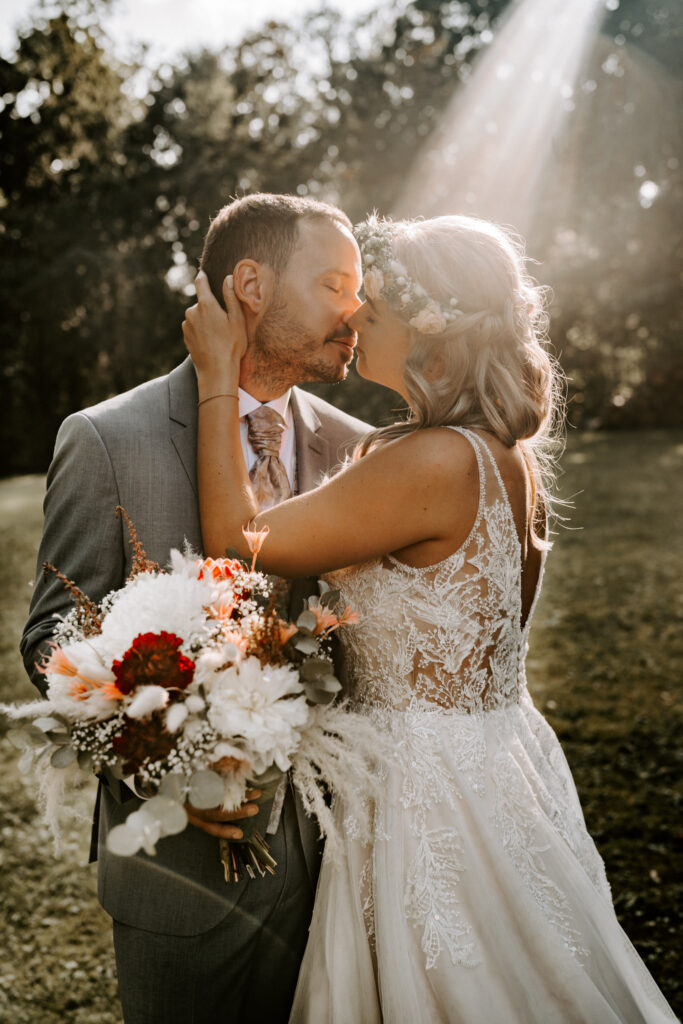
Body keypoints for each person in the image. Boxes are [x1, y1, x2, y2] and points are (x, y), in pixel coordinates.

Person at [182, 212, 678, 1023]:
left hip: (426, 798)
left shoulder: (437, 460)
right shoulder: (493, 454)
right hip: (489, 762)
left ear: (431, 338)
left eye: (368, 308)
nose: (349, 318)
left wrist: (215, 374)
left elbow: (241, 539)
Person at [20, 192, 371, 1024]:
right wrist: (170, 754)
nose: (355, 311)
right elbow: (51, 638)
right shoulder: (108, 438)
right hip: (179, 870)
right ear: (249, 283)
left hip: (343, 866)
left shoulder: (357, 447)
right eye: (332, 284)